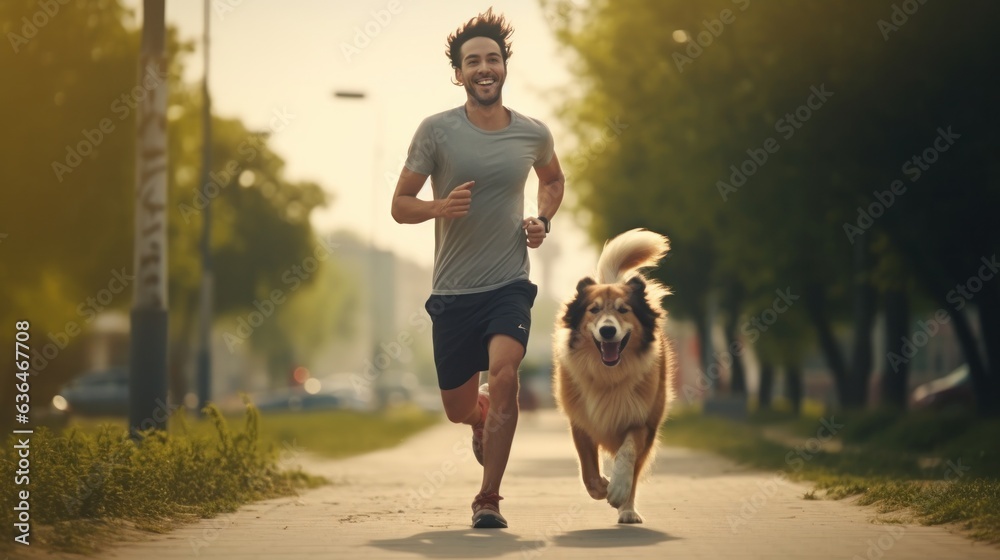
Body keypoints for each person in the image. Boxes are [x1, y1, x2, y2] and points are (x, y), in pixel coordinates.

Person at [390, 8, 565, 529]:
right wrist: (437, 208)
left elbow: (553, 180)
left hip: (509, 282)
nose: (484, 68)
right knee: (457, 405)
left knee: (506, 372)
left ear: (504, 65)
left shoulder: (533, 133)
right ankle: (478, 416)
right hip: (453, 290)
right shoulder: (437, 132)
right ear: (459, 72)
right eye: (473, 62)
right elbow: (400, 204)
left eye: (492, 58)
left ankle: (488, 497)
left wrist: (543, 219)